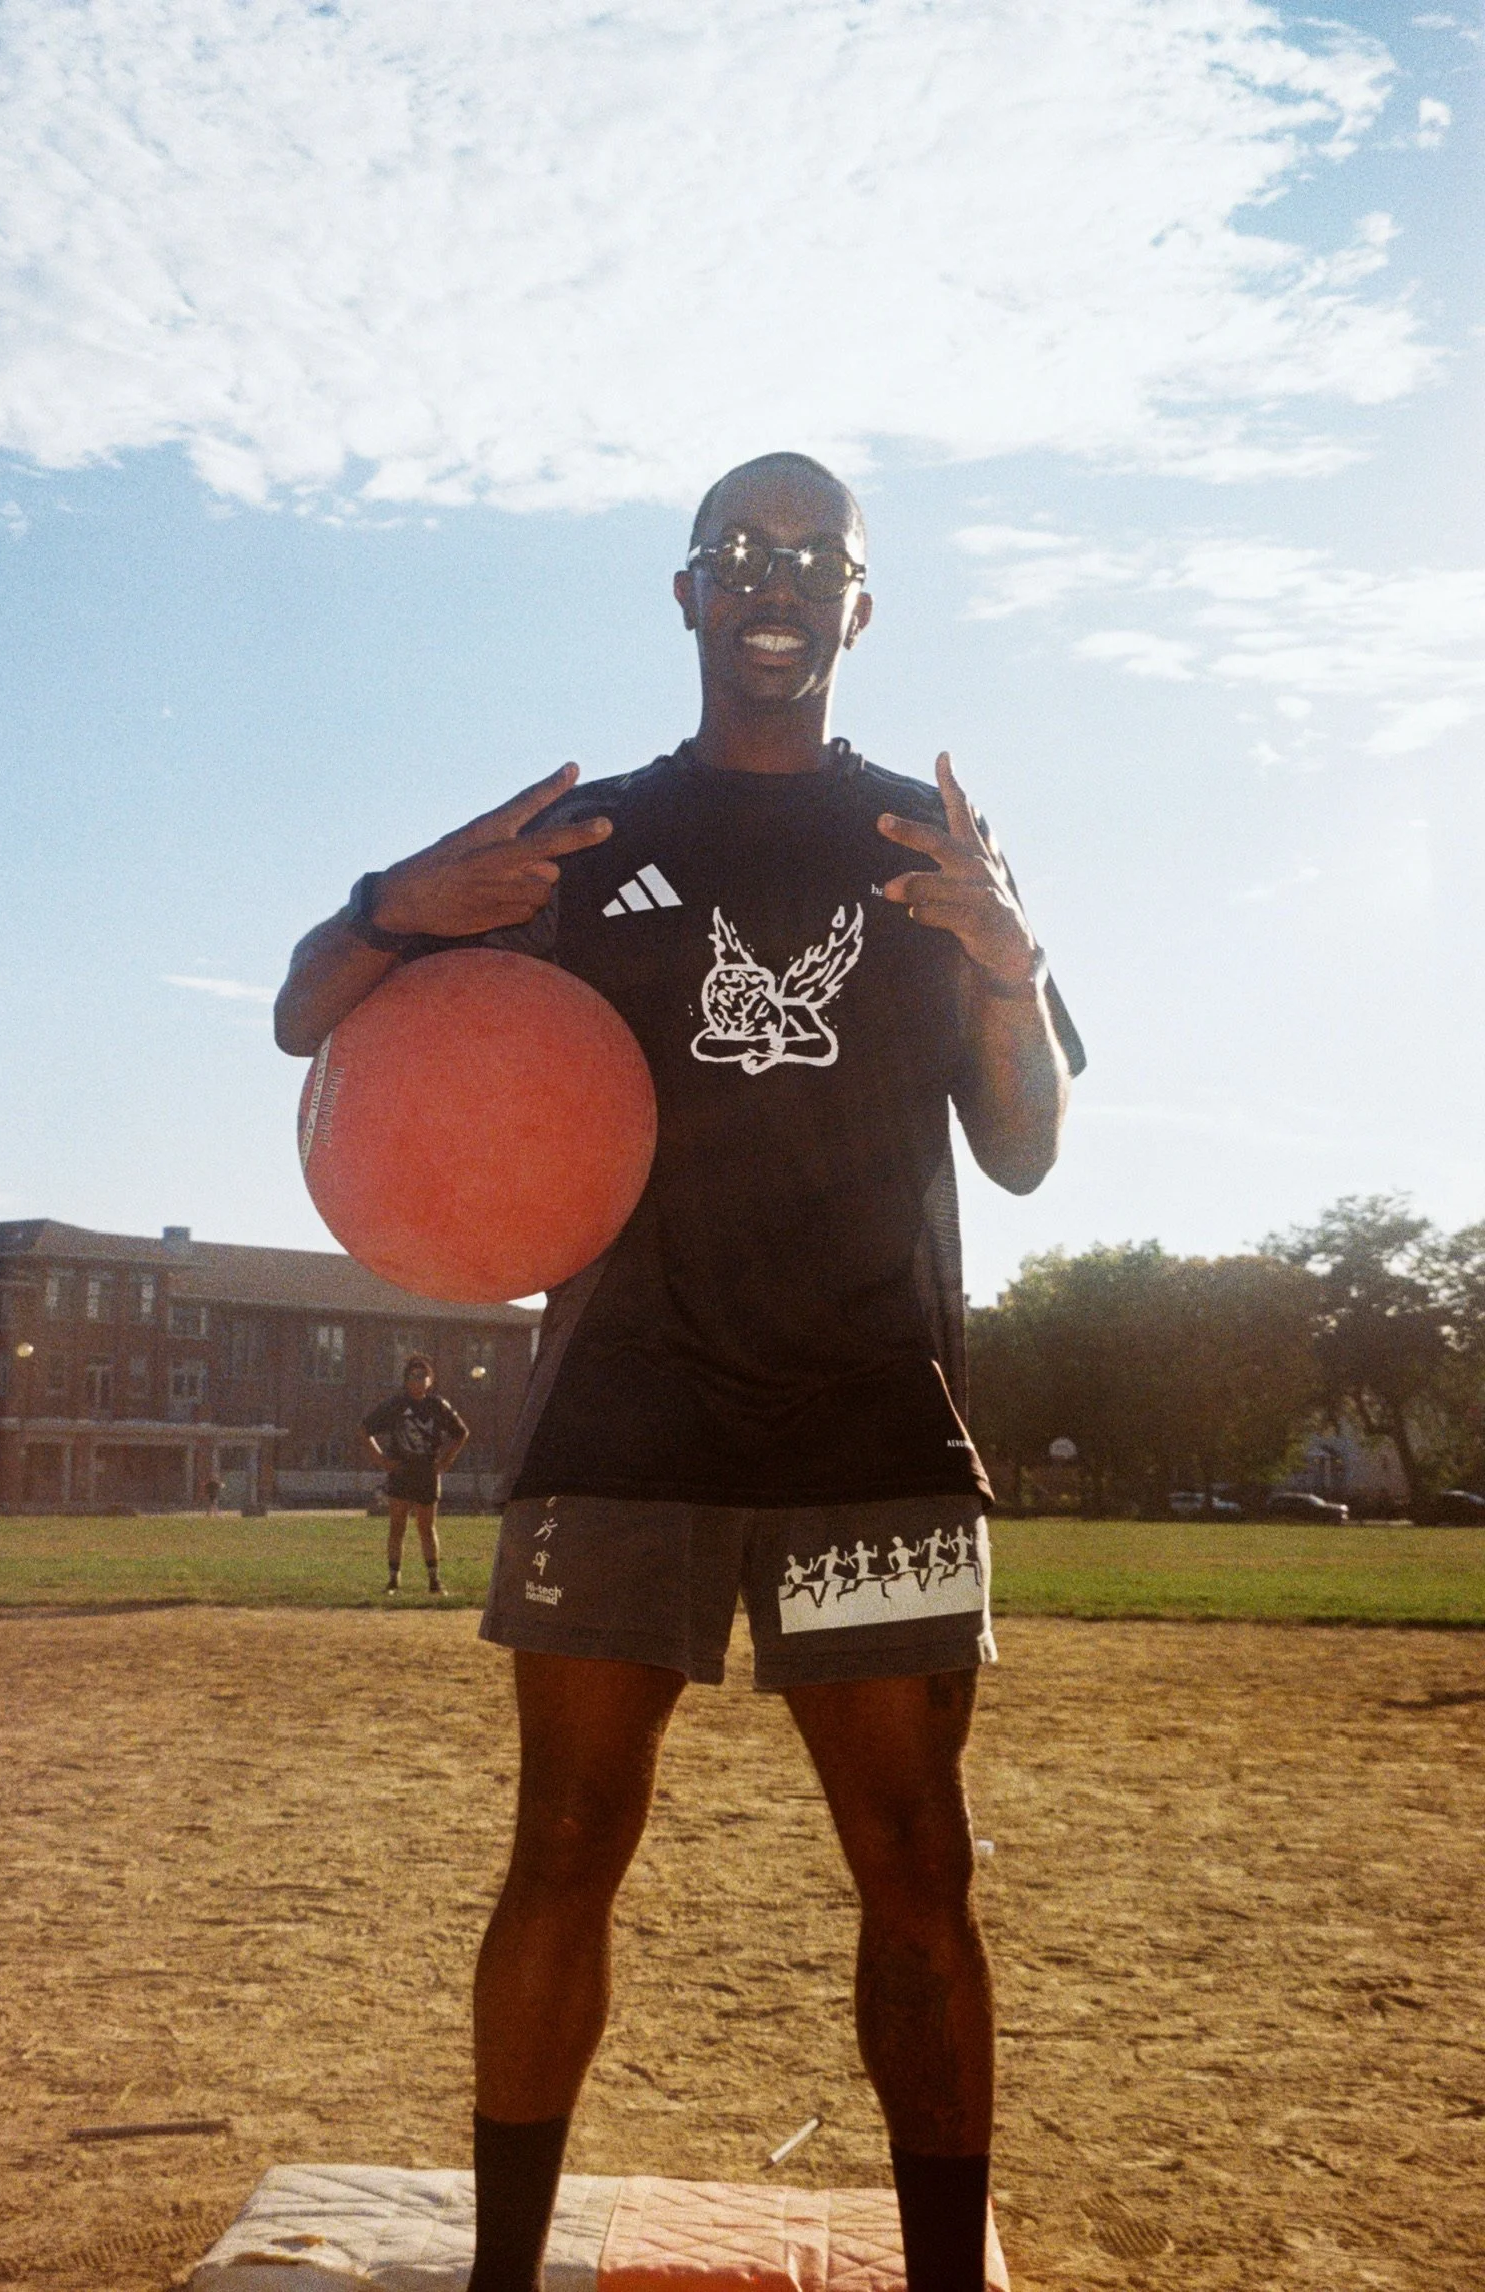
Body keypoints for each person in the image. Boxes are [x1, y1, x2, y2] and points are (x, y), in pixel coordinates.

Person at [275, 451, 1085, 2292]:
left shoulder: (928, 848)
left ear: (859, 605)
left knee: (919, 1871)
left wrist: (1010, 972)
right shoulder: (589, 838)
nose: (775, 578)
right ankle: (500, 2273)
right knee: (559, 1842)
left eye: (814, 556)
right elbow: (306, 1010)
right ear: (689, 593)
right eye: (740, 551)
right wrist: (396, 899)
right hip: (624, 1419)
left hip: (876, 1418)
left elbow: (1026, 1148)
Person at [361, 1354, 469, 1597]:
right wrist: (381, 1460)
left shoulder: (438, 1406)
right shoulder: (395, 1405)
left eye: (423, 1376)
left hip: (426, 1473)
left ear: (431, 1380)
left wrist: (446, 1460)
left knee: (426, 1528)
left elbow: (461, 1433)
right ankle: (393, 1579)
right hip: (401, 1472)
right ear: (406, 1380)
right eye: (413, 1376)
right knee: (397, 1526)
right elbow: (364, 1429)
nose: (418, 1381)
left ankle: (434, 1580)